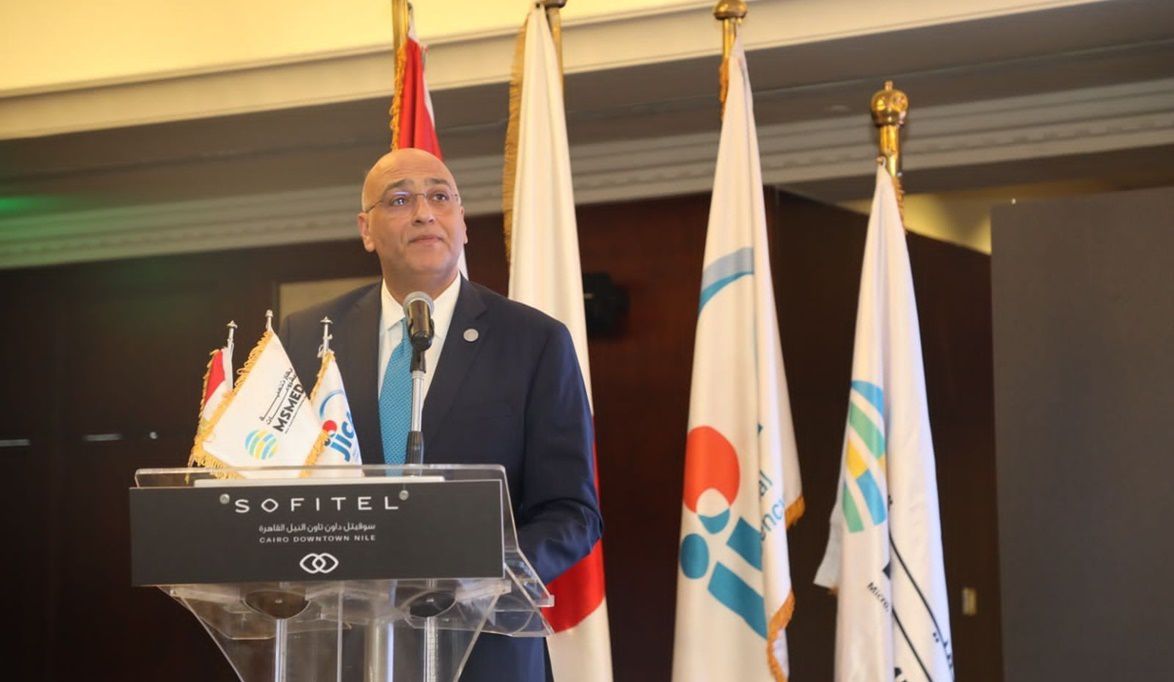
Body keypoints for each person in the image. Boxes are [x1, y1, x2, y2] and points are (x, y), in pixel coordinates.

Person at [279, 148, 602, 681]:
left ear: (462, 223)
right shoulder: (308, 337)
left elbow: (572, 512)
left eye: (440, 196)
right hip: (344, 648)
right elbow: (277, 487)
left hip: (485, 650)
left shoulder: (533, 341)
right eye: (399, 200)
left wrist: (479, 574)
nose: (424, 213)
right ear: (366, 230)